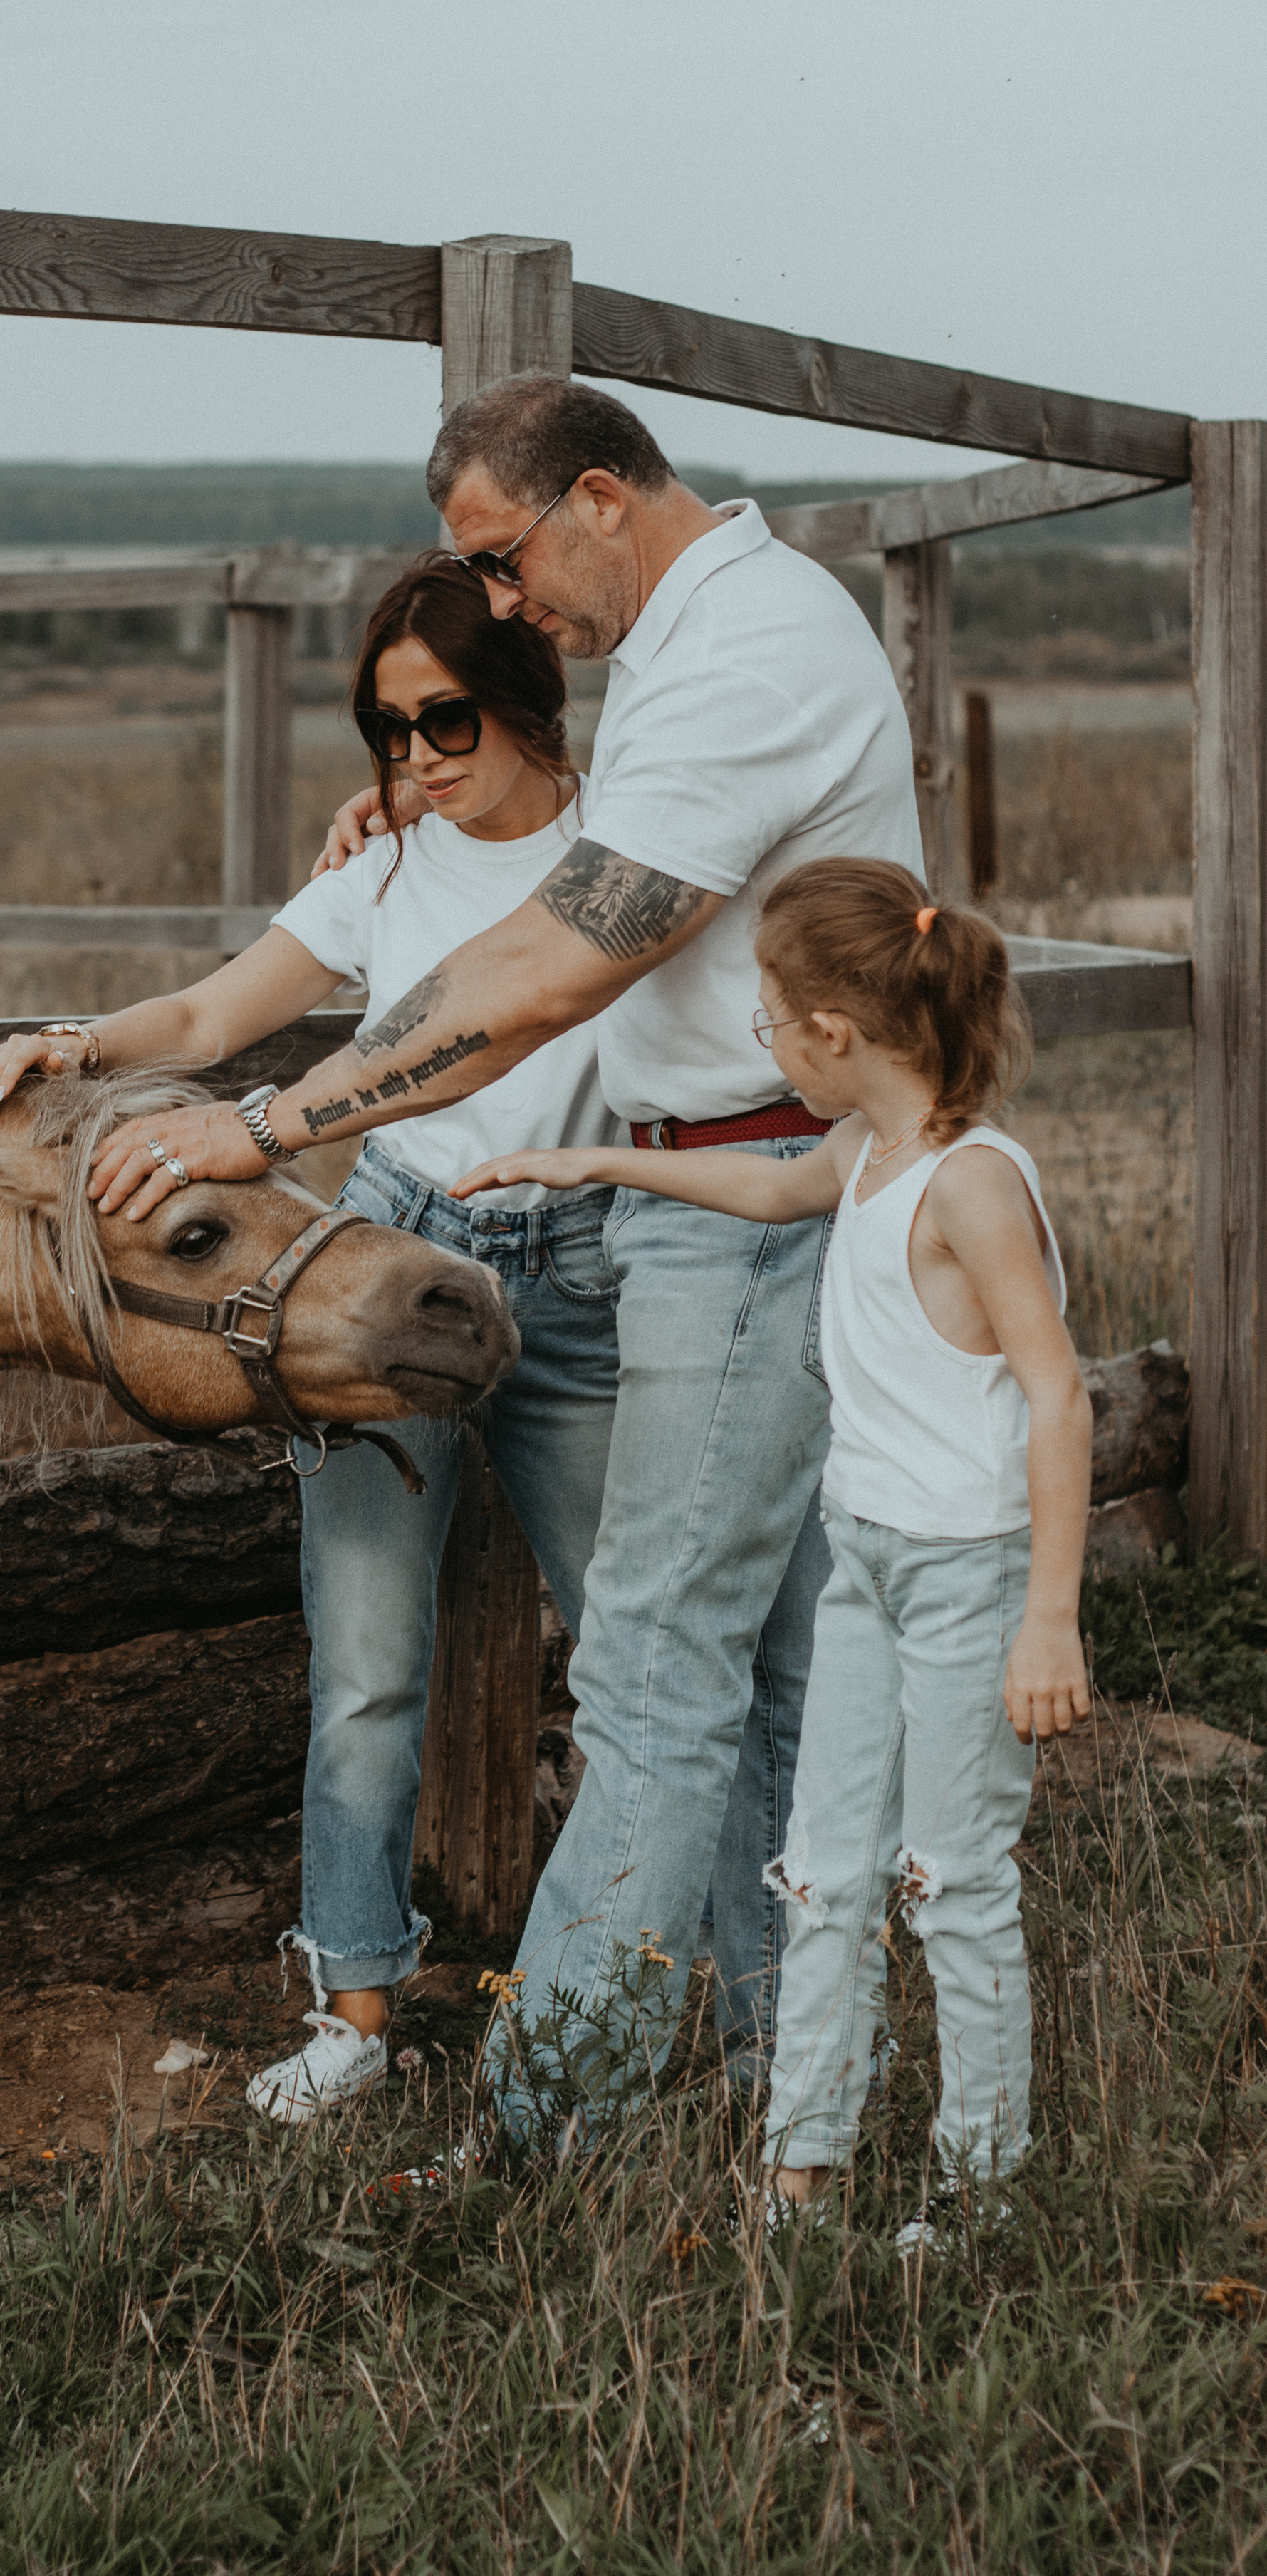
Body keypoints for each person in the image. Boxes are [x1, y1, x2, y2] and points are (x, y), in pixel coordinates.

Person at [90, 375, 923, 2124]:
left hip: (740, 1200)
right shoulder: (684, 654)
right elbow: (532, 892)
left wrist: (263, 1126)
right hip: (690, 1193)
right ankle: (790, 2072)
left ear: (598, 498)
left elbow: (546, 968)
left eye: (504, 556)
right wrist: (398, 825)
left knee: (661, 1669)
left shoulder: (746, 652)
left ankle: (575, 2108)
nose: (504, 595)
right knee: (744, 1653)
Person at [0, 556, 622, 2121]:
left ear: (523, 698)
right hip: (382, 1263)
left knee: (628, 1660)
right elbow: (212, 1018)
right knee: (367, 1669)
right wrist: (75, 1041)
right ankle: (354, 2013)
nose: (417, 761)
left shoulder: (624, 852)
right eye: (387, 732)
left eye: (445, 721)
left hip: (582, 1268)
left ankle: (604, 1989)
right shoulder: (381, 868)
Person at [457, 859, 1090, 2216]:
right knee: (824, 1873)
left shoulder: (973, 1185)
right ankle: (803, 2165)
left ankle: (978, 2194)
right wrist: (588, 1160)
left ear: (835, 1034)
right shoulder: (865, 1151)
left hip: (967, 1577)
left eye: (769, 1018)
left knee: (955, 1885)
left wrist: (1049, 1617)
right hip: (865, 1562)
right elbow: (763, 1193)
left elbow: (1058, 1395)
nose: (766, 1041)